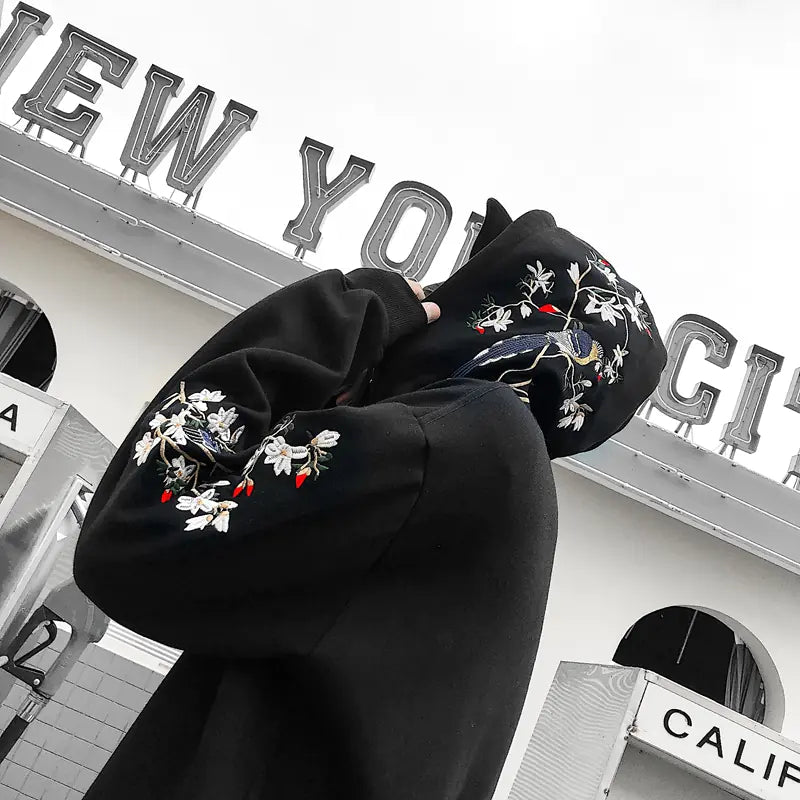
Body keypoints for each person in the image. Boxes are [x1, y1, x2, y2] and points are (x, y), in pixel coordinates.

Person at [73, 200, 667, 800]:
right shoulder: (498, 466)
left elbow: (135, 536)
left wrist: (334, 317)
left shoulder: (457, 438)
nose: (429, 300)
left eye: (456, 289)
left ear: (505, 321)